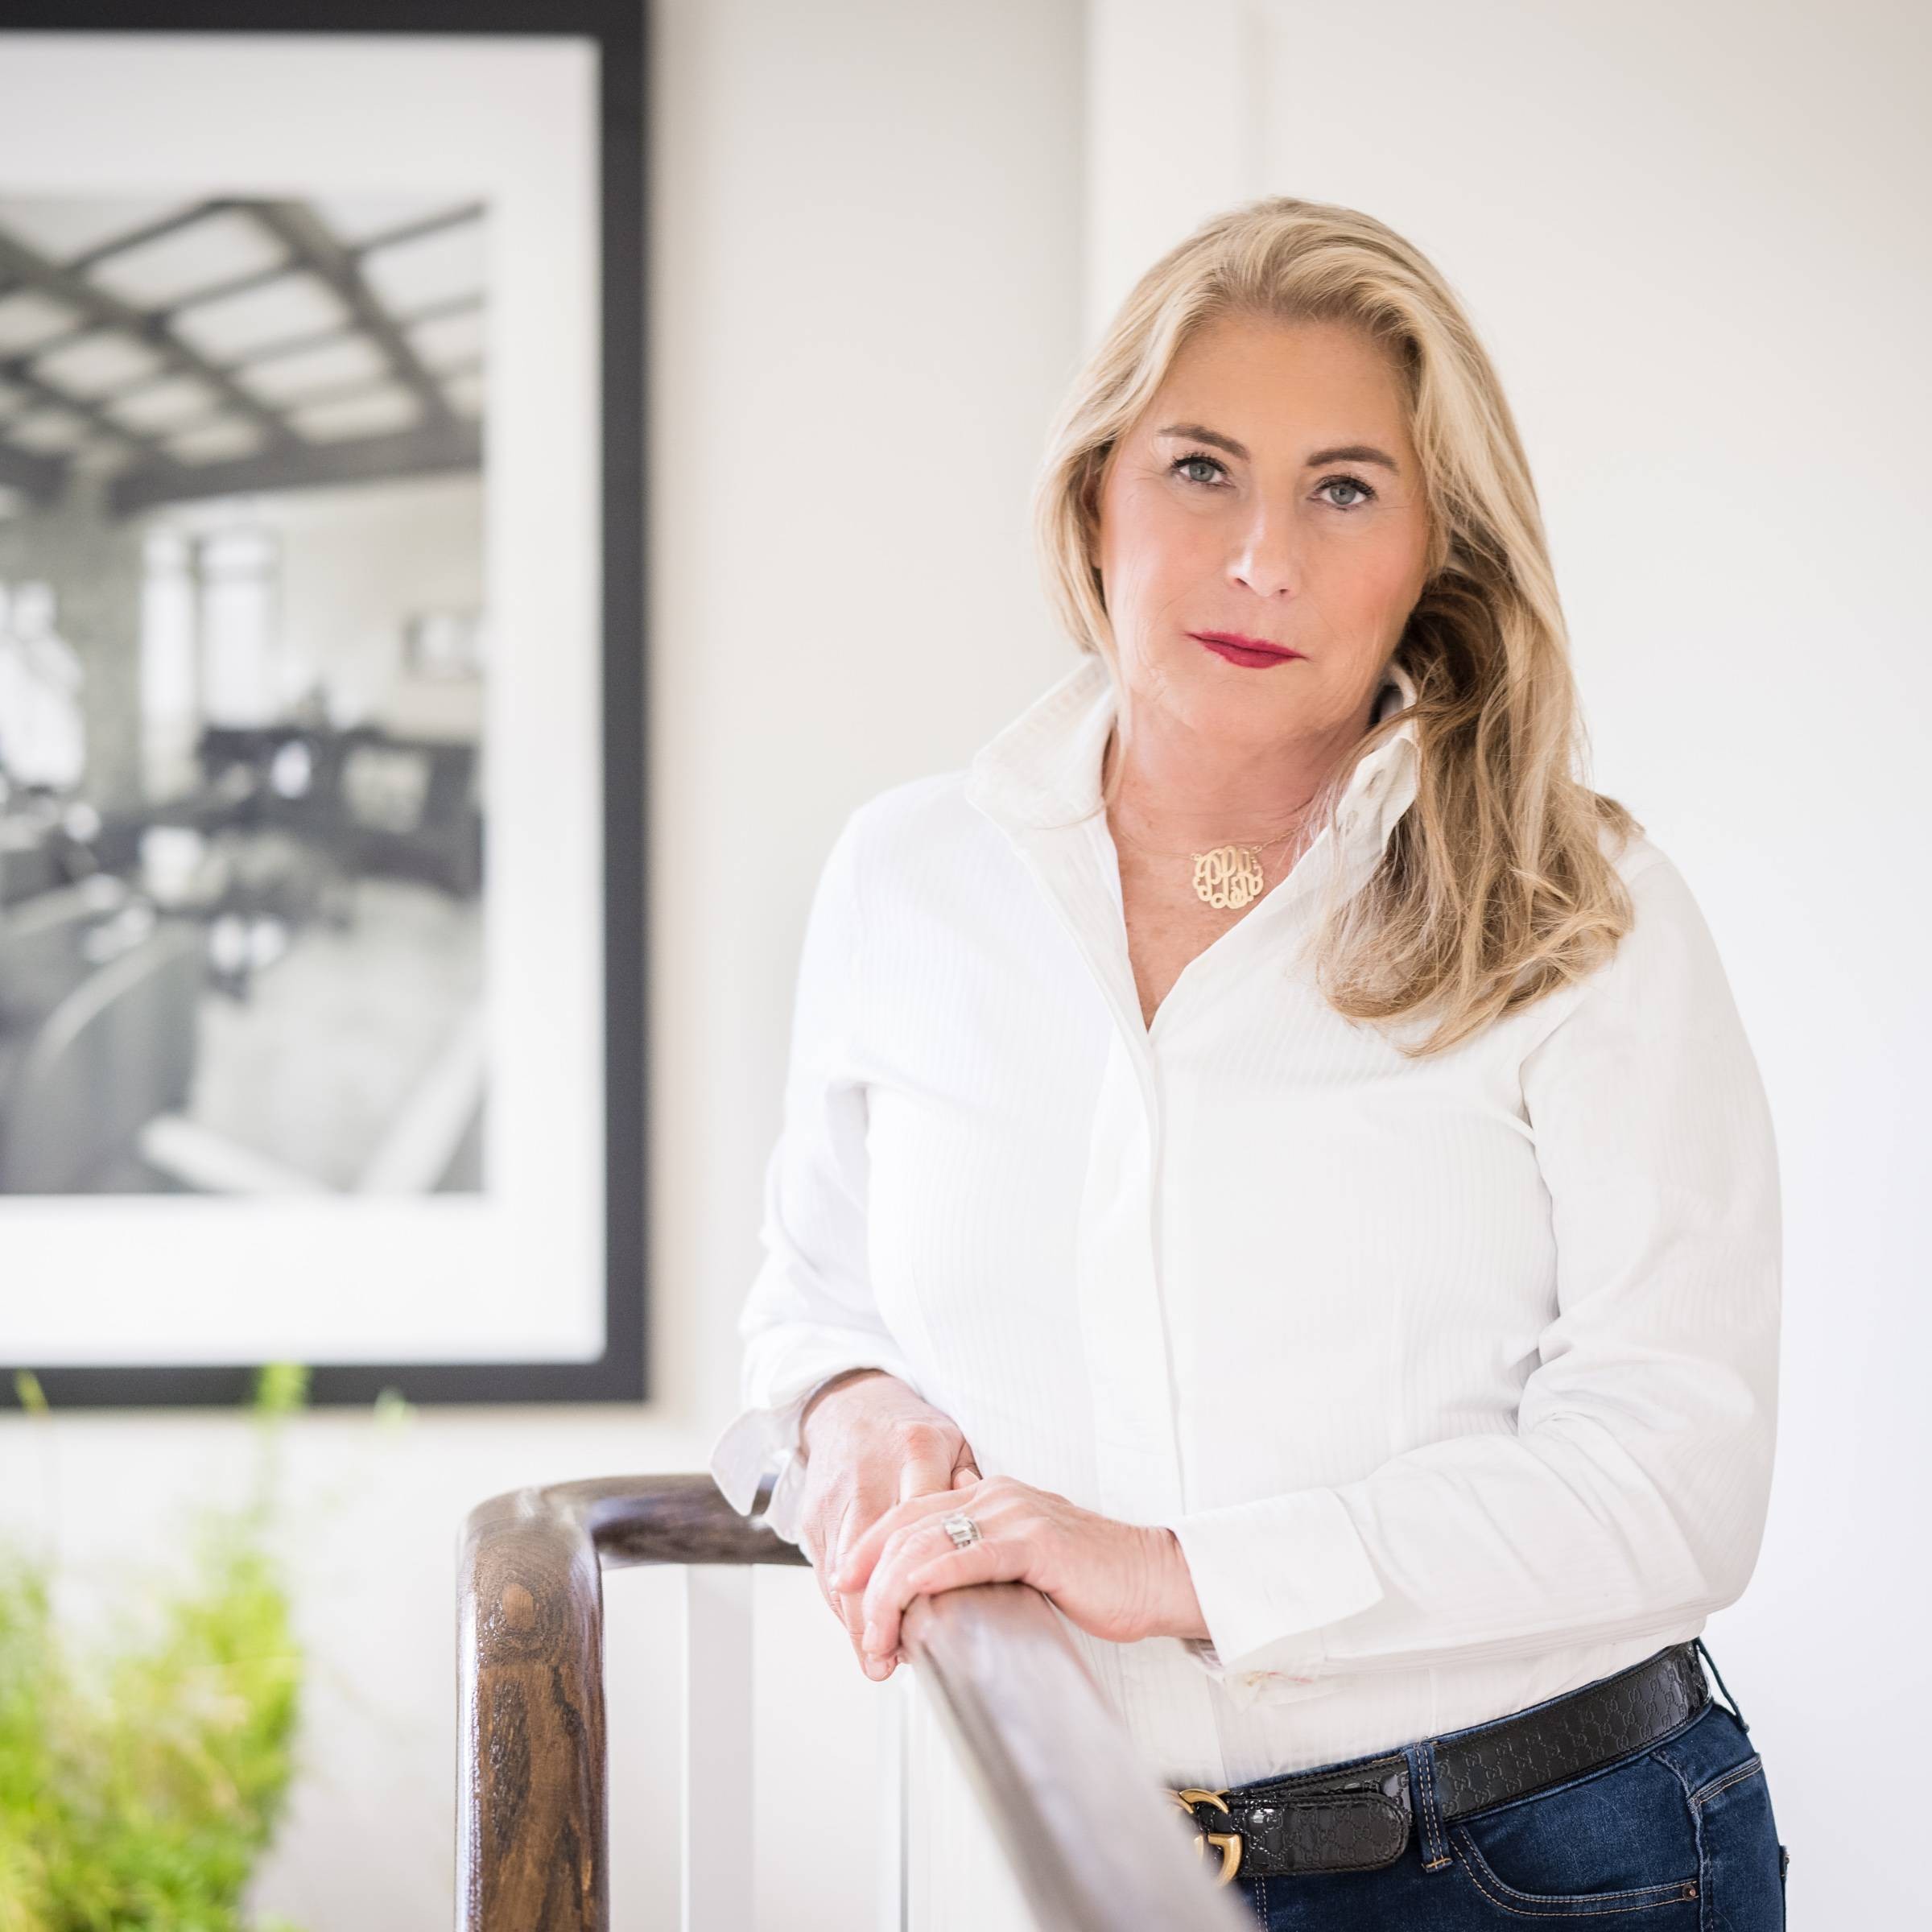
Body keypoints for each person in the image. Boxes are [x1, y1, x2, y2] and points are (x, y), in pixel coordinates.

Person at [709, 196, 1787, 1928]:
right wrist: (850, 1407)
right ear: (1096, 496)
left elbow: (1677, 1476)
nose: (1262, 558)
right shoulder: (908, 881)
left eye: (1344, 490)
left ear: (1435, 550)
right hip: (1074, 1857)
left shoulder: (1584, 908)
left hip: (1547, 1867)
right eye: (1200, 469)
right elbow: (809, 1301)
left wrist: (1173, 1573)